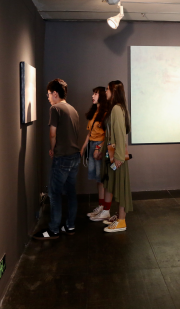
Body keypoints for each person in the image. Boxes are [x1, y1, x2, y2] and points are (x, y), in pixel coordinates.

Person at [33, 79, 80, 240]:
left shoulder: (55, 109)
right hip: (75, 156)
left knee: (54, 193)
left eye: (48, 94)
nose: (48, 98)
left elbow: (53, 133)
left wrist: (52, 149)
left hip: (62, 157)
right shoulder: (73, 109)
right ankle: (70, 225)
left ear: (55, 93)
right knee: (71, 192)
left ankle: (53, 229)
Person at [90, 80, 132, 232]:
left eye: (108, 89)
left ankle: (121, 222)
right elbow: (110, 135)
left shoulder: (116, 109)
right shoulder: (116, 108)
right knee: (113, 184)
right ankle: (118, 217)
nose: (105, 92)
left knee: (120, 187)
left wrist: (119, 157)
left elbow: (120, 134)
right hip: (113, 155)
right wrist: (102, 150)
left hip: (117, 157)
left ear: (114, 92)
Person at [81, 87, 109, 219]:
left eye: (96, 94)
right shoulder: (94, 112)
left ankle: (105, 209)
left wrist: (98, 148)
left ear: (101, 96)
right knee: (98, 179)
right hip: (92, 145)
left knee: (102, 178)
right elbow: (89, 133)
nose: (92, 96)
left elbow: (107, 136)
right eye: (93, 93)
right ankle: (101, 206)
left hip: (99, 146)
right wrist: (83, 148)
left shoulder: (105, 114)